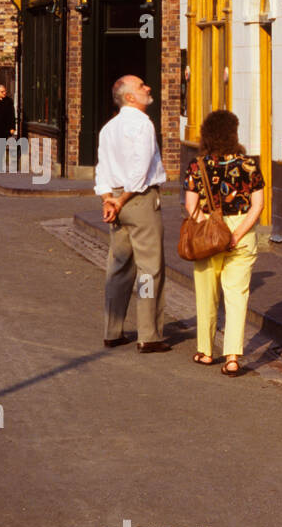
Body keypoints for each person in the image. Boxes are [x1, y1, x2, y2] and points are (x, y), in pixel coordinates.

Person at [183, 110, 264, 377]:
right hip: (241, 234)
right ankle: (232, 357)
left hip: (208, 234)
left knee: (206, 294)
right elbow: (258, 205)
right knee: (237, 296)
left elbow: (190, 206)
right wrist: (237, 234)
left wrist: (209, 222)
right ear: (233, 133)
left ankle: (206, 351)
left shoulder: (197, 166)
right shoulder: (249, 165)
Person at [95, 75, 170, 352]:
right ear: (129, 97)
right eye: (141, 86)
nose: (148, 88)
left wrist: (108, 200)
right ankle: (148, 334)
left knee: (118, 267)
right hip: (138, 200)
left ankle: (112, 331)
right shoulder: (142, 124)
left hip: (114, 198)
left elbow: (101, 169)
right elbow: (140, 170)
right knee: (149, 269)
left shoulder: (108, 128)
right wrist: (123, 199)